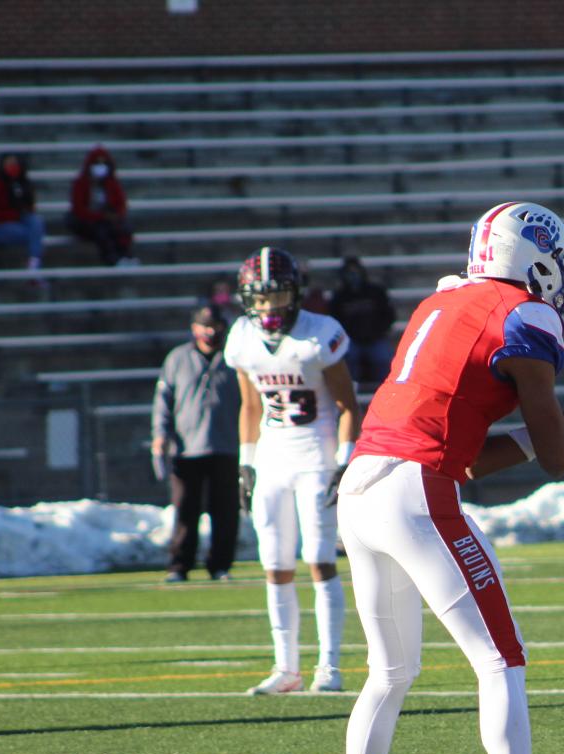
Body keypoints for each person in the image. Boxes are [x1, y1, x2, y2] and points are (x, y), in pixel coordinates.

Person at [325, 201, 564, 754]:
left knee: (390, 671)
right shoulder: (527, 315)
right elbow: (558, 456)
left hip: (364, 485)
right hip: (415, 491)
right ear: (538, 263)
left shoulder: (442, 303)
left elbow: (468, 458)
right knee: (501, 660)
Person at [224, 247, 361, 695]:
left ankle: (329, 667)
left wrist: (344, 460)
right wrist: (245, 463)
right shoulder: (242, 337)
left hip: (315, 458)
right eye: (260, 298)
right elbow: (249, 405)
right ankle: (286, 668)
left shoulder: (319, 334)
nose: (268, 307)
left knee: (320, 561)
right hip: (271, 459)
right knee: (274, 566)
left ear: (296, 294)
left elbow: (346, 404)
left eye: (277, 296)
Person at [152, 303, 241, 583]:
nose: (210, 331)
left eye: (215, 326)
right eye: (205, 326)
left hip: (227, 445)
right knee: (185, 510)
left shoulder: (235, 357)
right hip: (186, 448)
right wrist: (160, 435)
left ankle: (220, 565)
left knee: (225, 511)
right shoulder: (178, 358)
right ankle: (179, 565)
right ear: (194, 329)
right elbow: (163, 401)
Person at [327, 256, 397, 389]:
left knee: (383, 358)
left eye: (355, 271)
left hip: (376, 339)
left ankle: (386, 389)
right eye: (349, 272)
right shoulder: (339, 296)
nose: (353, 276)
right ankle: (352, 391)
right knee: (348, 358)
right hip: (351, 341)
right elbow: (334, 321)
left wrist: (378, 332)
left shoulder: (376, 292)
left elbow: (389, 315)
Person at [66, 145, 135, 267]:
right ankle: (113, 260)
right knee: (101, 230)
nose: (100, 167)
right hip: (86, 221)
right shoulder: (81, 183)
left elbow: (121, 204)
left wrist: (115, 215)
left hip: (107, 219)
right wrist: (101, 216)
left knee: (124, 227)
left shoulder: (112, 183)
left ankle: (126, 256)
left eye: (103, 163)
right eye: (97, 163)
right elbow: (79, 209)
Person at [0, 153, 44, 276]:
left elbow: (30, 207)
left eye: (14, 163)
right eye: (9, 163)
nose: (12, 167)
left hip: (18, 220)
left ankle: (34, 261)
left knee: (36, 222)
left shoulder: (23, 182)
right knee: (32, 235)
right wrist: (12, 215)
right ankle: (34, 264)